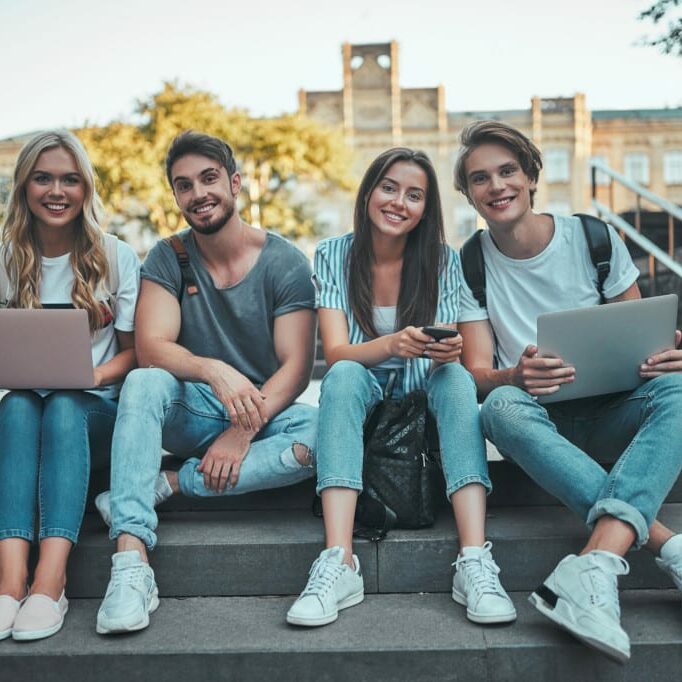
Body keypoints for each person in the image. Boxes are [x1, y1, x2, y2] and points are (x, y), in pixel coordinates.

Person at [454, 119, 682, 662]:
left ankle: (596, 561)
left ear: (531, 176)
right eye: (480, 179)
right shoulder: (467, 263)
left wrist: (666, 356)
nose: (497, 186)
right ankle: (666, 545)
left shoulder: (594, 238)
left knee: (678, 387)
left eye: (508, 171)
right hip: (539, 421)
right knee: (500, 407)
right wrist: (514, 376)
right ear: (468, 195)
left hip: (613, 411)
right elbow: (476, 375)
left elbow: (640, 340)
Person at [95, 131, 318, 635]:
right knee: (146, 381)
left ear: (235, 183)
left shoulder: (284, 262)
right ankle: (131, 560)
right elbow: (151, 347)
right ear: (176, 197)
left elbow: (297, 368)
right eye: (184, 185)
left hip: (264, 412)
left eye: (209, 178)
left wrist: (241, 432)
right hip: (193, 407)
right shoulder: (167, 256)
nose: (198, 193)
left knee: (325, 435)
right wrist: (214, 370)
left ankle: (167, 484)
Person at [286, 147, 516, 628]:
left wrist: (444, 352)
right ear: (369, 192)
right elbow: (336, 352)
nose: (398, 202)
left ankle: (474, 558)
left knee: (454, 377)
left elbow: (444, 349)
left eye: (414, 195)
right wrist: (392, 344)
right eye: (389, 187)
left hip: (424, 393)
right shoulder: (332, 254)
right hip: (359, 391)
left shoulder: (442, 261)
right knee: (346, 375)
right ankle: (339, 560)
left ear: (425, 210)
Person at [0, 131, 140, 641]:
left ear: (85, 189)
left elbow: (135, 353)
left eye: (69, 179)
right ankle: (10, 582)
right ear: (24, 187)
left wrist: (89, 376)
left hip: (91, 417)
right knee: (17, 404)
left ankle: (49, 579)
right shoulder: (7, 258)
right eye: (43, 178)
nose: (56, 191)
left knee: (61, 402)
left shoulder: (115, 255)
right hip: (26, 420)